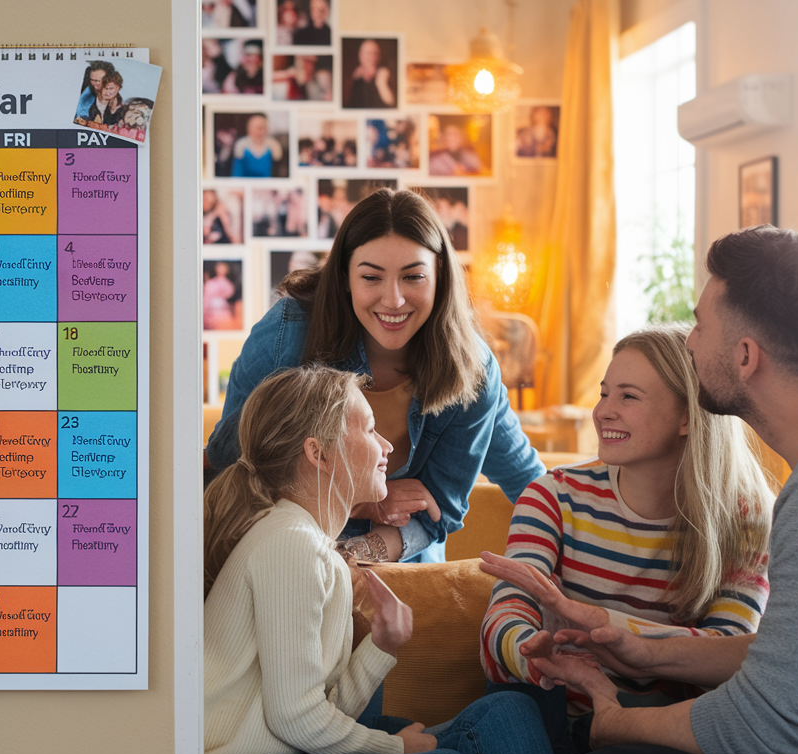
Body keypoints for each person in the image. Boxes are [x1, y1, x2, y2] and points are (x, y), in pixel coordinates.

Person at [518, 226, 798, 754]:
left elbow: (764, 726)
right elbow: (792, 658)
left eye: (701, 325)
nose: (689, 343)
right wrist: (645, 648)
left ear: (744, 355)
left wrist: (613, 726)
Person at [204, 364, 559, 754]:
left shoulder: (312, 547)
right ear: (319, 454)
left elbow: (326, 716)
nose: (387, 446)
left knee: (507, 713)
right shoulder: (289, 545)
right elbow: (295, 722)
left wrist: (381, 644)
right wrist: (395, 748)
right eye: (370, 430)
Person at [478, 324, 774, 754]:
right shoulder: (552, 496)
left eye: (628, 397)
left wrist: (615, 631)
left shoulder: (745, 518)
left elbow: (728, 651)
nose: (603, 412)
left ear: (688, 417)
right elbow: (505, 616)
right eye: (604, 393)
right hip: (554, 714)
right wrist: (534, 651)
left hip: (658, 731)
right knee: (510, 711)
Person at [206, 189, 545, 563]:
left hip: (400, 559)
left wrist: (351, 558)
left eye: (413, 276)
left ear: (440, 276)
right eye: (371, 277)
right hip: (283, 549)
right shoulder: (288, 335)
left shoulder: (472, 368)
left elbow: (442, 509)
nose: (393, 299)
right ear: (345, 277)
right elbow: (229, 467)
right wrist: (362, 503)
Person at [229, 113, 282, 178]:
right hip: (245, 184)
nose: (259, 131)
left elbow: (279, 172)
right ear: (249, 129)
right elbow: (236, 173)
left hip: (267, 185)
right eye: (256, 128)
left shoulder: (274, 145)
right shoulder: (241, 145)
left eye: (262, 128)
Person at [347, 39, 395, 109]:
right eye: (369, 53)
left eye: (375, 53)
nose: (372, 57)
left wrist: (381, 83)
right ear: (360, 56)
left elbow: (392, 104)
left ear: (379, 56)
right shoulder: (355, 78)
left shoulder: (384, 74)